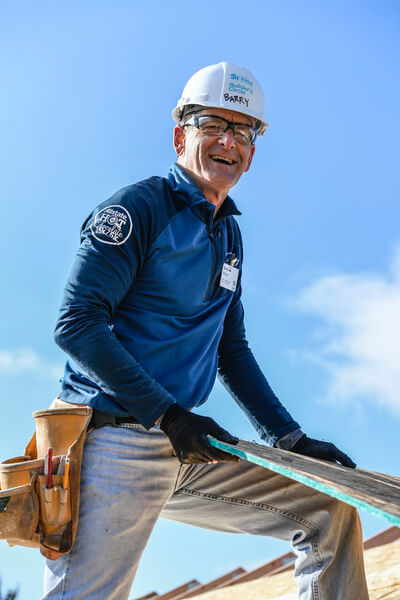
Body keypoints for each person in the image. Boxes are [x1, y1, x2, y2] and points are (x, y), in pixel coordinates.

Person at [43, 62, 369, 599]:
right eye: (213, 123)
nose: (228, 141)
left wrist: (289, 439)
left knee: (327, 511)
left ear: (253, 151)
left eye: (242, 131)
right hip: (112, 441)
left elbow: (230, 348)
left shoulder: (229, 233)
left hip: (186, 446)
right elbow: (77, 324)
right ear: (180, 135)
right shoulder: (136, 209)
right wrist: (168, 415)